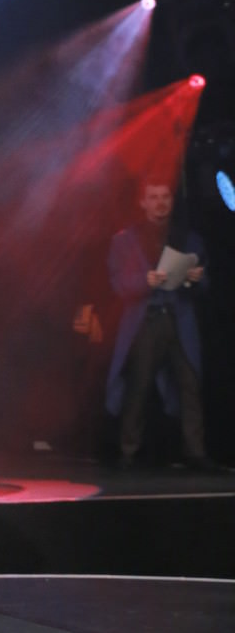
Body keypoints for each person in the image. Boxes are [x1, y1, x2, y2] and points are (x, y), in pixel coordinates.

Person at [106, 177, 208, 468]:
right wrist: (144, 281)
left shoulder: (189, 239)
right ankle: (129, 450)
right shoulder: (125, 240)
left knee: (190, 384)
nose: (160, 203)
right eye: (154, 197)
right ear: (143, 202)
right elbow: (118, 284)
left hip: (179, 318)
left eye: (165, 197)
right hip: (147, 318)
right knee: (138, 385)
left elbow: (206, 284)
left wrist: (194, 279)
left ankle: (195, 451)